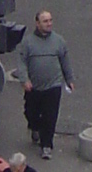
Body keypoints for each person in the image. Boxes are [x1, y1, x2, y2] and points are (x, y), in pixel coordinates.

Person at [17, 8, 74, 157]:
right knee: (31, 112)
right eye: (45, 21)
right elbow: (22, 62)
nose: (49, 24)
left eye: (50, 20)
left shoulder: (59, 41)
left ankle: (46, 145)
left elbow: (65, 61)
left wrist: (69, 79)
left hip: (53, 85)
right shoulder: (28, 42)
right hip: (34, 87)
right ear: (37, 23)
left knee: (50, 116)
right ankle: (34, 127)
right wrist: (24, 79)